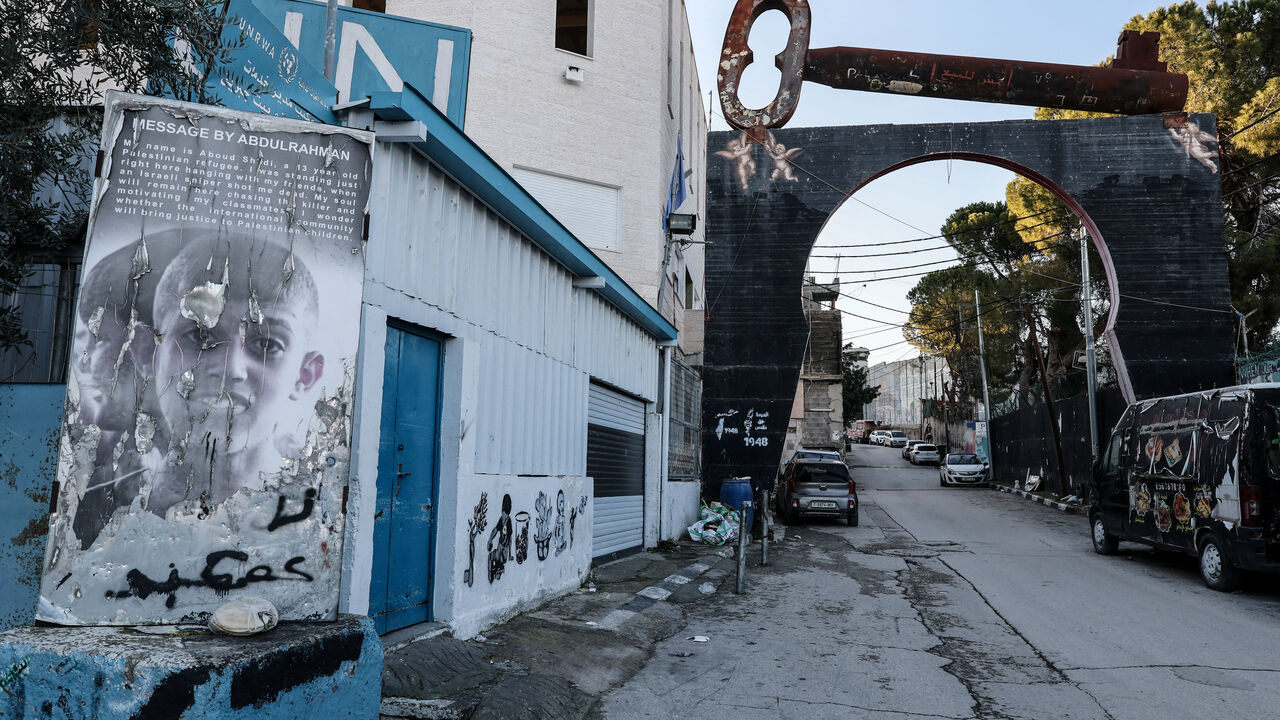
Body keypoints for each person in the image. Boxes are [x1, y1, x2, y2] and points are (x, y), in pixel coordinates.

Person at [146, 236, 324, 516]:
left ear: (304, 375)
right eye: (200, 336)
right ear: (152, 355)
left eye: (266, 344)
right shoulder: (98, 510)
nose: (231, 369)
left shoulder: (317, 516)